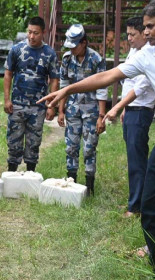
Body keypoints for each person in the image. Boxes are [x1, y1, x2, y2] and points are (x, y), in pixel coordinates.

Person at [39, 0, 155, 274]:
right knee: (151, 207)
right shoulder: (146, 56)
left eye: (150, 26)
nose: (145, 32)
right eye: (144, 27)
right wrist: (68, 90)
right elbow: (109, 76)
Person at [104, 16, 155, 218]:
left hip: (141, 110)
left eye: (133, 34)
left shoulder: (150, 54)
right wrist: (125, 108)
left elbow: (141, 88)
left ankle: (136, 207)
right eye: (128, 34)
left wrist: (117, 107)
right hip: (131, 109)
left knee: (137, 161)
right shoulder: (135, 51)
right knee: (134, 158)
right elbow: (129, 84)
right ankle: (136, 201)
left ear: (144, 33)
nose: (130, 38)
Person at [4, 16, 59, 173]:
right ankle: (11, 174)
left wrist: (51, 105)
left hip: (38, 106)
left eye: (35, 33)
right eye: (29, 32)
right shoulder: (16, 50)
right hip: (17, 105)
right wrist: (7, 99)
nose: (32, 36)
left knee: (33, 144)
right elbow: (8, 74)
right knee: (14, 142)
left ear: (43, 33)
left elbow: (54, 79)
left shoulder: (49, 53)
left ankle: (30, 174)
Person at [58, 24, 107, 195]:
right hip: (72, 110)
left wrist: (102, 116)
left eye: (74, 46)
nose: (71, 49)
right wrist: (61, 110)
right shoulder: (66, 59)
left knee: (89, 148)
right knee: (71, 147)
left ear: (84, 43)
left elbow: (102, 89)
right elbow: (64, 86)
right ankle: (72, 183)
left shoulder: (96, 59)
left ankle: (89, 186)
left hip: (91, 111)